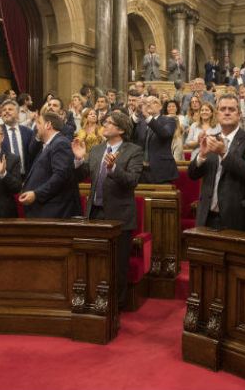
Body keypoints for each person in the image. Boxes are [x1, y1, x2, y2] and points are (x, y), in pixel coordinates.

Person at [72, 111, 143, 310]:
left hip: (119, 216)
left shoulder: (133, 151)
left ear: (121, 129)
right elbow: (82, 175)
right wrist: (78, 160)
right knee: (95, 260)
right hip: (94, 212)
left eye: (109, 123)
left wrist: (113, 169)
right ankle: (95, 299)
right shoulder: (96, 150)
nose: (104, 124)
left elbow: (132, 181)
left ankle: (116, 307)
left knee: (118, 264)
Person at [188, 93, 245, 232]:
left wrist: (224, 153)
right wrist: (201, 155)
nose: (227, 112)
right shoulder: (210, 139)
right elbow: (192, 175)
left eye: (232, 109)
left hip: (239, 218)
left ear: (239, 114)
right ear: (217, 114)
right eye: (223, 109)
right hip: (207, 217)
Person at [19, 111, 81, 218]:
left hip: (53, 211)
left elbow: (60, 176)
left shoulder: (60, 143)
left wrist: (36, 194)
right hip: (43, 209)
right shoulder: (48, 145)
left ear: (48, 125)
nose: (35, 127)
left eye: (38, 123)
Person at [133, 96, 179, 184]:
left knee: (161, 197)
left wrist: (147, 116)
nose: (149, 104)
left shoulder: (169, 120)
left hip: (161, 171)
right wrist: (136, 112)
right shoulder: (140, 122)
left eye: (154, 102)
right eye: (147, 102)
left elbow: (164, 134)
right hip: (140, 171)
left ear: (160, 107)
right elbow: (128, 134)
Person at [1, 99, 35, 176]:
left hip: (25, 176)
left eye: (10, 109)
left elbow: (32, 154)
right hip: (5, 177)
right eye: (4, 110)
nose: (6, 111)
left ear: (17, 113)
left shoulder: (28, 132)